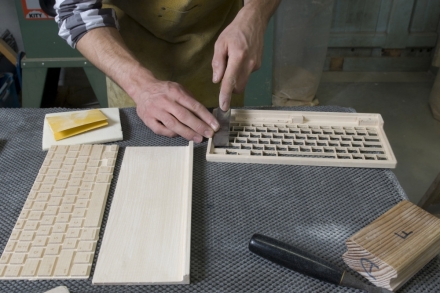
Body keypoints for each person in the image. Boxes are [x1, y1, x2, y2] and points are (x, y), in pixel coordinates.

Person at [54, 0, 281, 142]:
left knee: (220, 155)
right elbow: (75, 10)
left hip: (216, 43)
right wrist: (142, 87)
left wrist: (255, 14)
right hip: (130, 57)